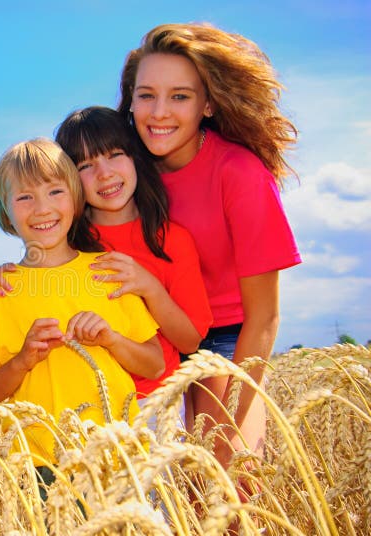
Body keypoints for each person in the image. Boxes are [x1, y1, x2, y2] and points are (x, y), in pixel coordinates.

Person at [117, 23, 301, 462]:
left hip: (225, 341)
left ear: (209, 103)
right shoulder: (124, 170)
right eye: (146, 95)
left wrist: (232, 424)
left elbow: (265, 317)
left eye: (179, 96)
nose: (159, 112)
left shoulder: (239, 172)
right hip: (147, 338)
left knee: (227, 490)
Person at [0, 137, 164, 469]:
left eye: (55, 192)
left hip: (118, 457)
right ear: (5, 210)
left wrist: (111, 339)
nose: (42, 208)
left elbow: (155, 364)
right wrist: (22, 360)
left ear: (75, 198)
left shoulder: (109, 270)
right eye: (25, 197)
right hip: (36, 467)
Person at [53, 106, 212, 427]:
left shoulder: (171, 240)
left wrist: (149, 287)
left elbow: (190, 341)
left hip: (157, 403)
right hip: (87, 406)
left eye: (115, 154)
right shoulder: (64, 244)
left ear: (136, 157)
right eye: (85, 165)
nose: (104, 173)